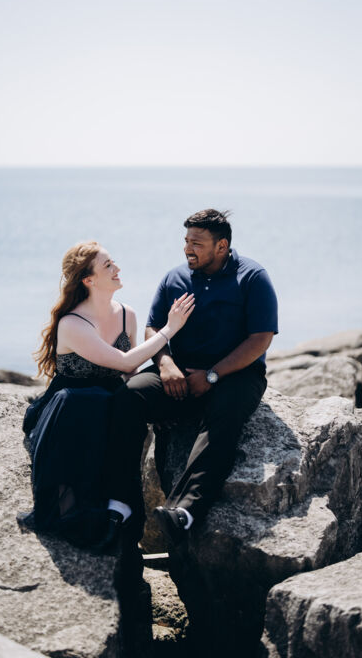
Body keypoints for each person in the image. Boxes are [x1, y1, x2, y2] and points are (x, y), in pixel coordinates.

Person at [102, 209, 278, 544]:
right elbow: (154, 327)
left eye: (197, 243)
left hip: (237, 375)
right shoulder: (174, 278)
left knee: (224, 413)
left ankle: (186, 512)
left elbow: (261, 338)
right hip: (178, 375)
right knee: (128, 397)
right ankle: (121, 504)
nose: (187, 249)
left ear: (222, 246)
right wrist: (166, 364)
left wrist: (212, 375)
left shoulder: (253, 277)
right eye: (186, 241)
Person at [19, 240, 194, 551]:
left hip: (110, 402)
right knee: (85, 413)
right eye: (108, 266)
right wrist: (170, 329)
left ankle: (124, 521)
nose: (117, 269)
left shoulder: (127, 314)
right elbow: (125, 361)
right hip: (72, 408)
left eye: (113, 262)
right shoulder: (72, 323)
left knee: (122, 414)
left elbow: (129, 373)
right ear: (89, 280)